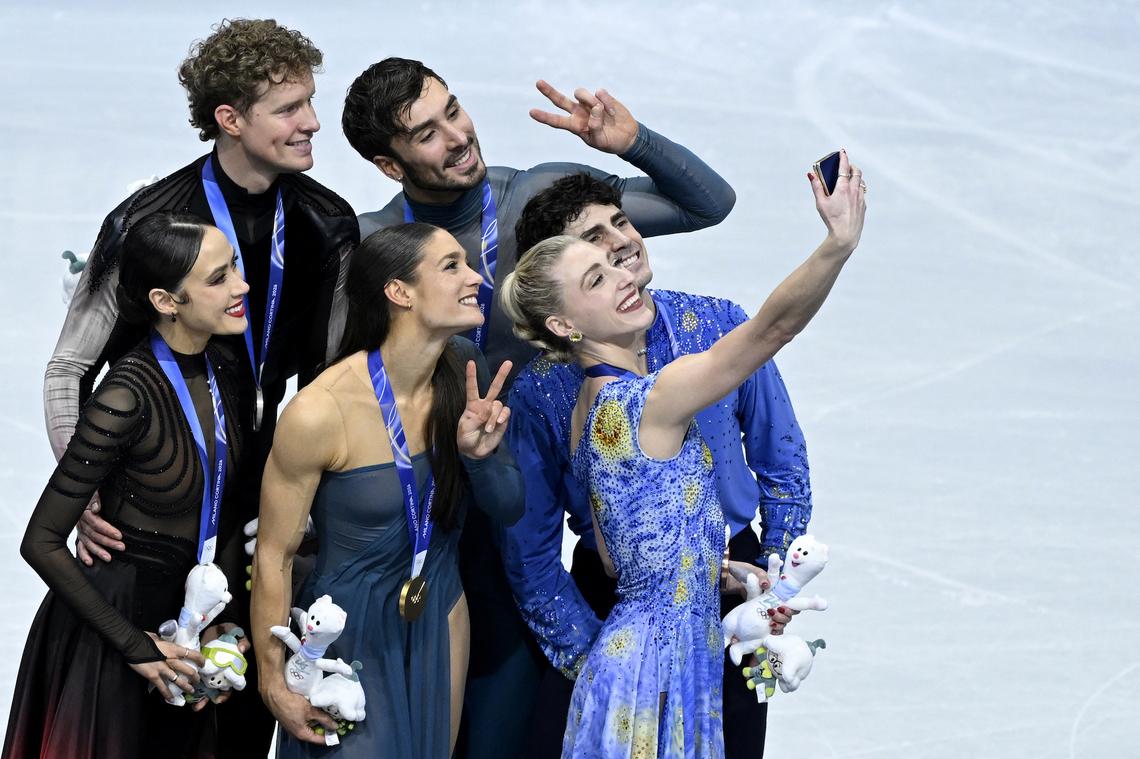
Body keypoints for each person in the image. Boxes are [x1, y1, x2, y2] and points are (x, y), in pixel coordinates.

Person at [341, 57, 736, 756]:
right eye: (426, 134)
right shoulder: (375, 245)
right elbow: (337, 381)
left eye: (453, 110)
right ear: (387, 163)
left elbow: (708, 204)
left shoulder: (533, 199)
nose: (458, 135)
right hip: (427, 505)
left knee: (509, 718)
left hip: (530, 498)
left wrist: (633, 143)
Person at [47, 20, 359, 754]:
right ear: (230, 119)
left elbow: (332, 379)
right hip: (151, 506)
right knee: (139, 718)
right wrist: (84, 492)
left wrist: (302, 496)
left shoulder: (325, 222)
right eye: (289, 108)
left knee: (236, 716)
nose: (313, 121)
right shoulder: (149, 223)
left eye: (310, 101)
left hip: (258, 493)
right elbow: (68, 369)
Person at [498, 152, 867, 758]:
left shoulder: (588, 406)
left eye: (614, 254)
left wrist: (735, 574)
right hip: (657, 663)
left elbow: (626, 561)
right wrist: (838, 243)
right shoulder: (645, 402)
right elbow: (772, 330)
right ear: (564, 325)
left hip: (654, 642)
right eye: (595, 275)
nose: (622, 266)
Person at [251, 223, 525, 758]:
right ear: (399, 292)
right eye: (451, 267)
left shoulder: (465, 366)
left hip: (441, 612)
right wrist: (272, 681)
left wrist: (478, 458)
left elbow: (508, 506)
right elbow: (274, 556)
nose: (475, 277)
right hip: (343, 638)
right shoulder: (318, 411)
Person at [6, 212, 255, 758]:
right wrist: (135, 645)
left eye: (233, 266)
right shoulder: (125, 397)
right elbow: (41, 541)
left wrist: (219, 624)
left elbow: (229, 506)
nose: (241, 285)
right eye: (218, 278)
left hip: (188, 620)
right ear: (167, 301)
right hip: (112, 632)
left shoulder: (227, 369)